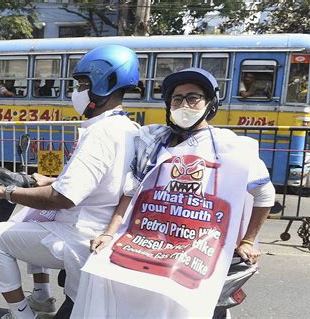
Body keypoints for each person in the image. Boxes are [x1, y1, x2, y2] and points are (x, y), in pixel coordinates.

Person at [72, 67, 276, 318]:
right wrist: (109, 233)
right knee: (101, 274)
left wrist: (247, 241)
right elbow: (131, 190)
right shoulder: (152, 141)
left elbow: (265, 195)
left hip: (196, 248)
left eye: (193, 98)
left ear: (210, 103)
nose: (184, 105)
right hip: (147, 242)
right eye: (177, 99)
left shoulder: (230, 147)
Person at [0, 44, 140, 319]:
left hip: (80, 234)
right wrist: (51, 179)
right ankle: (41, 297)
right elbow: (105, 179)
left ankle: (21, 315)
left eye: (82, 84)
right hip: (100, 225)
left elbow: (63, 198)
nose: (76, 92)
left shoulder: (100, 133)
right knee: (29, 216)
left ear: (104, 84)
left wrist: (6, 191)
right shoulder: (129, 128)